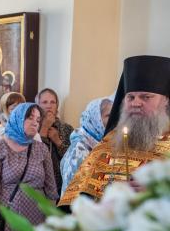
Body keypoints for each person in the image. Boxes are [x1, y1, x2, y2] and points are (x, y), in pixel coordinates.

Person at [61, 55, 170, 205]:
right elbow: (78, 200)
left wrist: (158, 191)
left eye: (146, 97)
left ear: (166, 101)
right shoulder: (108, 144)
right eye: (130, 97)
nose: (136, 103)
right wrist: (115, 191)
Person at [0, 102, 57, 231]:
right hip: (11, 217)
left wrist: (52, 218)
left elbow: (51, 189)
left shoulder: (41, 149)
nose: (35, 123)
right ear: (18, 118)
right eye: (30, 118)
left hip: (38, 217)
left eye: (38, 120)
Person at [59, 96, 113, 192]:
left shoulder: (100, 144)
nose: (114, 120)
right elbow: (74, 193)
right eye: (109, 116)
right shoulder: (79, 151)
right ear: (95, 118)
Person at [36, 88, 73, 184]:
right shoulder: (32, 127)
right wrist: (44, 128)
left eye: (52, 102)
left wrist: (58, 141)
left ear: (57, 106)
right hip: (37, 183)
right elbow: (35, 155)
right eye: (44, 102)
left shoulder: (67, 128)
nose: (49, 106)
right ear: (38, 105)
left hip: (61, 182)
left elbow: (73, 158)